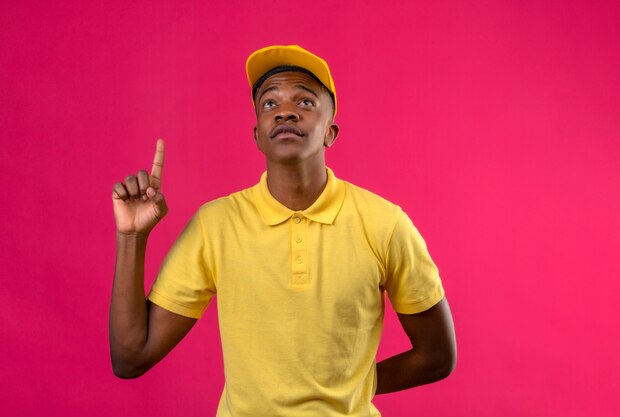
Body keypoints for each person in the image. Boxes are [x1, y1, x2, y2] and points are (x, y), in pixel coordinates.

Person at [109, 45, 457, 416]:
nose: (285, 111)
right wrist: (132, 237)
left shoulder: (385, 224)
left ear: (330, 132)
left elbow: (436, 356)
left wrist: (355, 384)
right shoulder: (216, 225)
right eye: (270, 104)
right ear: (257, 135)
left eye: (305, 102)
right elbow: (131, 357)